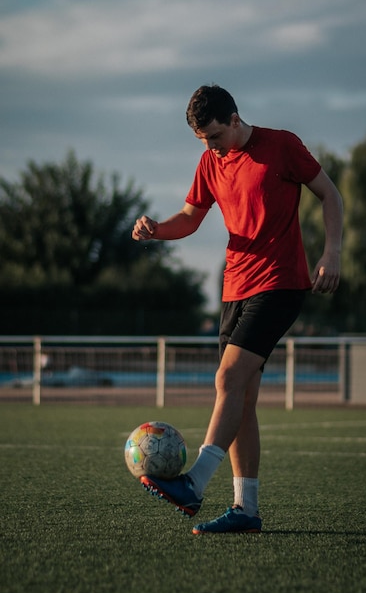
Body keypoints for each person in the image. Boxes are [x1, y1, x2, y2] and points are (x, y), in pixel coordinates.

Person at [132, 85, 343, 534]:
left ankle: (193, 485)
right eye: (202, 140)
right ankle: (246, 510)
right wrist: (156, 231)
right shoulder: (210, 161)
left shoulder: (282, 146)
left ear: (234, 119)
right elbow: (190, 218)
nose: (210, 146)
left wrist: (333, 253)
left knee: (227, 378)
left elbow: (330, 195)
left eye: (214, 136)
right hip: (235, 288)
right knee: (242, 399)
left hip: (281, 283)